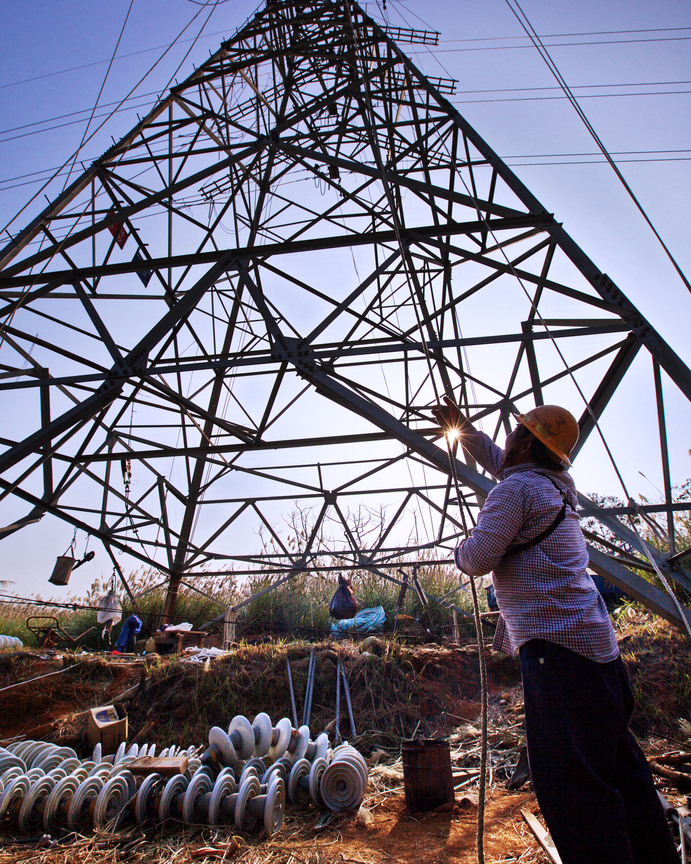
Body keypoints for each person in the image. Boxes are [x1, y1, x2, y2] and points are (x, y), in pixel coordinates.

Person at [433, 397, 679, 864]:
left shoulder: (514, 492)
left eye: (516, 430)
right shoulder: (555, 484)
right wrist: (463, 430)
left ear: (526, 441)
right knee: (621, 775)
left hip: (559, 658)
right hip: (599, 659)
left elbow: (478, 558)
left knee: (573, 791)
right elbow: (503, 461)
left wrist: (460, 551)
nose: (506, 437)